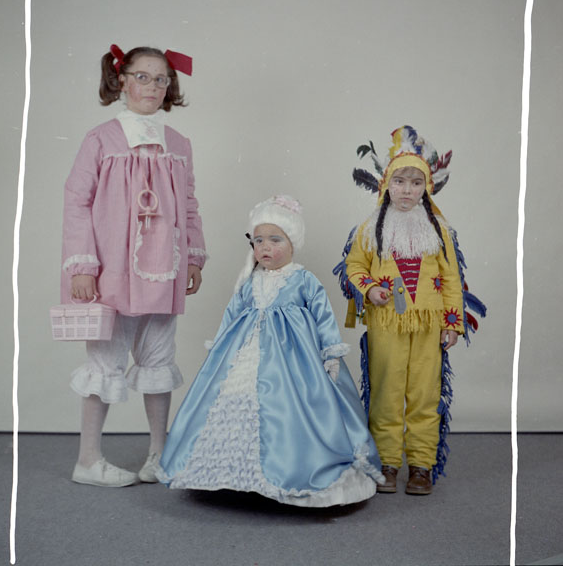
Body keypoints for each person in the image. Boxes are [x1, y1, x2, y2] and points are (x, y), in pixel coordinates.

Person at [158, 195, 384, 507]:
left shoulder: (302, 279)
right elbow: (232, 312)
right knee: (233, 398)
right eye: (259, 241)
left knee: (289, 408)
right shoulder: (249, 281)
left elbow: (323, 315)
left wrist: (331, 351)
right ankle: (233, 470)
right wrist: (219, 345)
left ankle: (288, 468)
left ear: (292, 243)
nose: (265, 248)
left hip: (294, 360)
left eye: (275, 240)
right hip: (245, 350)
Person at [61, 44, 207, 487]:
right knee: (104, 361)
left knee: (159, 359)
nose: (152, 86)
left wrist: (194, 255)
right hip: (113, 270)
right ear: (122, 80)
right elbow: (77, 201)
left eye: (161, 79)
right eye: (142, 77)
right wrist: (82, 265)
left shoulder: (178, 144)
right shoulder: (101, 139)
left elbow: (189, 203)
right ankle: (88, 459)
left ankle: (158, 455)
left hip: (164, 269)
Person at [335, 125, 485, 496]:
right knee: (386, 391)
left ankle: (421, 465)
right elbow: (354, 266)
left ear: (427, 187)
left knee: (425, 394)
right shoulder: (370, 228)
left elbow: (452, 278)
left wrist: (452, 324)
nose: (407, 190)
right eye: (399, 181)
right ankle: (386, 462)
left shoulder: (439, 230)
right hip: (387, 323)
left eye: (416, 183)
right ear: (386, 184)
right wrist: (370, 289)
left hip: (429, 325)